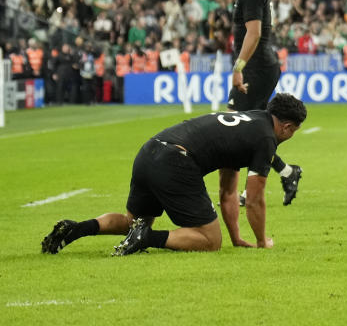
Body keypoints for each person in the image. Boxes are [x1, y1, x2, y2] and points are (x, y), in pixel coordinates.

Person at [41, 94, 308, 256]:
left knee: (131, 220)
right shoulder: (265, 139)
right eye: (293, 131)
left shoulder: (247, 123)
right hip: (176, 161)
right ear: (286, 127)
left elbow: (228, 193)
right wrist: (262, 242)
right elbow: (254, 200)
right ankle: (146, 238)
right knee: (210, 241)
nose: (291, 136)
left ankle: (76, 229)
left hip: (150, 151)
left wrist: (238, 239)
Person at [224, 0, 302, 207]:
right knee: (251, 128)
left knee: (236, 128)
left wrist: (238, 67)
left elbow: (254, 33)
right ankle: (287, 172)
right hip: (259, 67)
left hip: (256, 69)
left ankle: (240, 193)